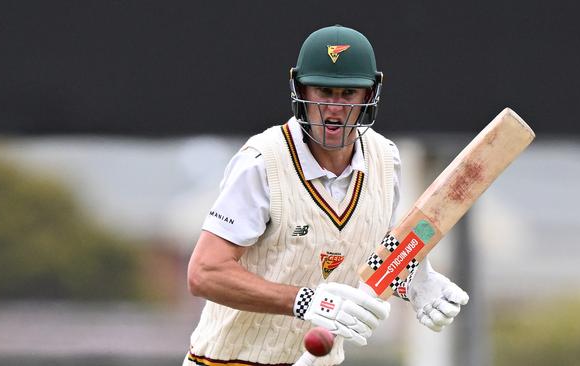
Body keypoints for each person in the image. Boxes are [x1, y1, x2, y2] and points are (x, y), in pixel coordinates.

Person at [184, 25, 469, 366]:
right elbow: (205, 273)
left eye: (348, 93)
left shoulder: (385, 159)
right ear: (300, 90)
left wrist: (415, 282)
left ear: (369, 95)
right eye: (323, 91)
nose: (334, 108)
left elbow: (379, 258)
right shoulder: (263, 162)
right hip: (228, 361)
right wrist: (304, 301)